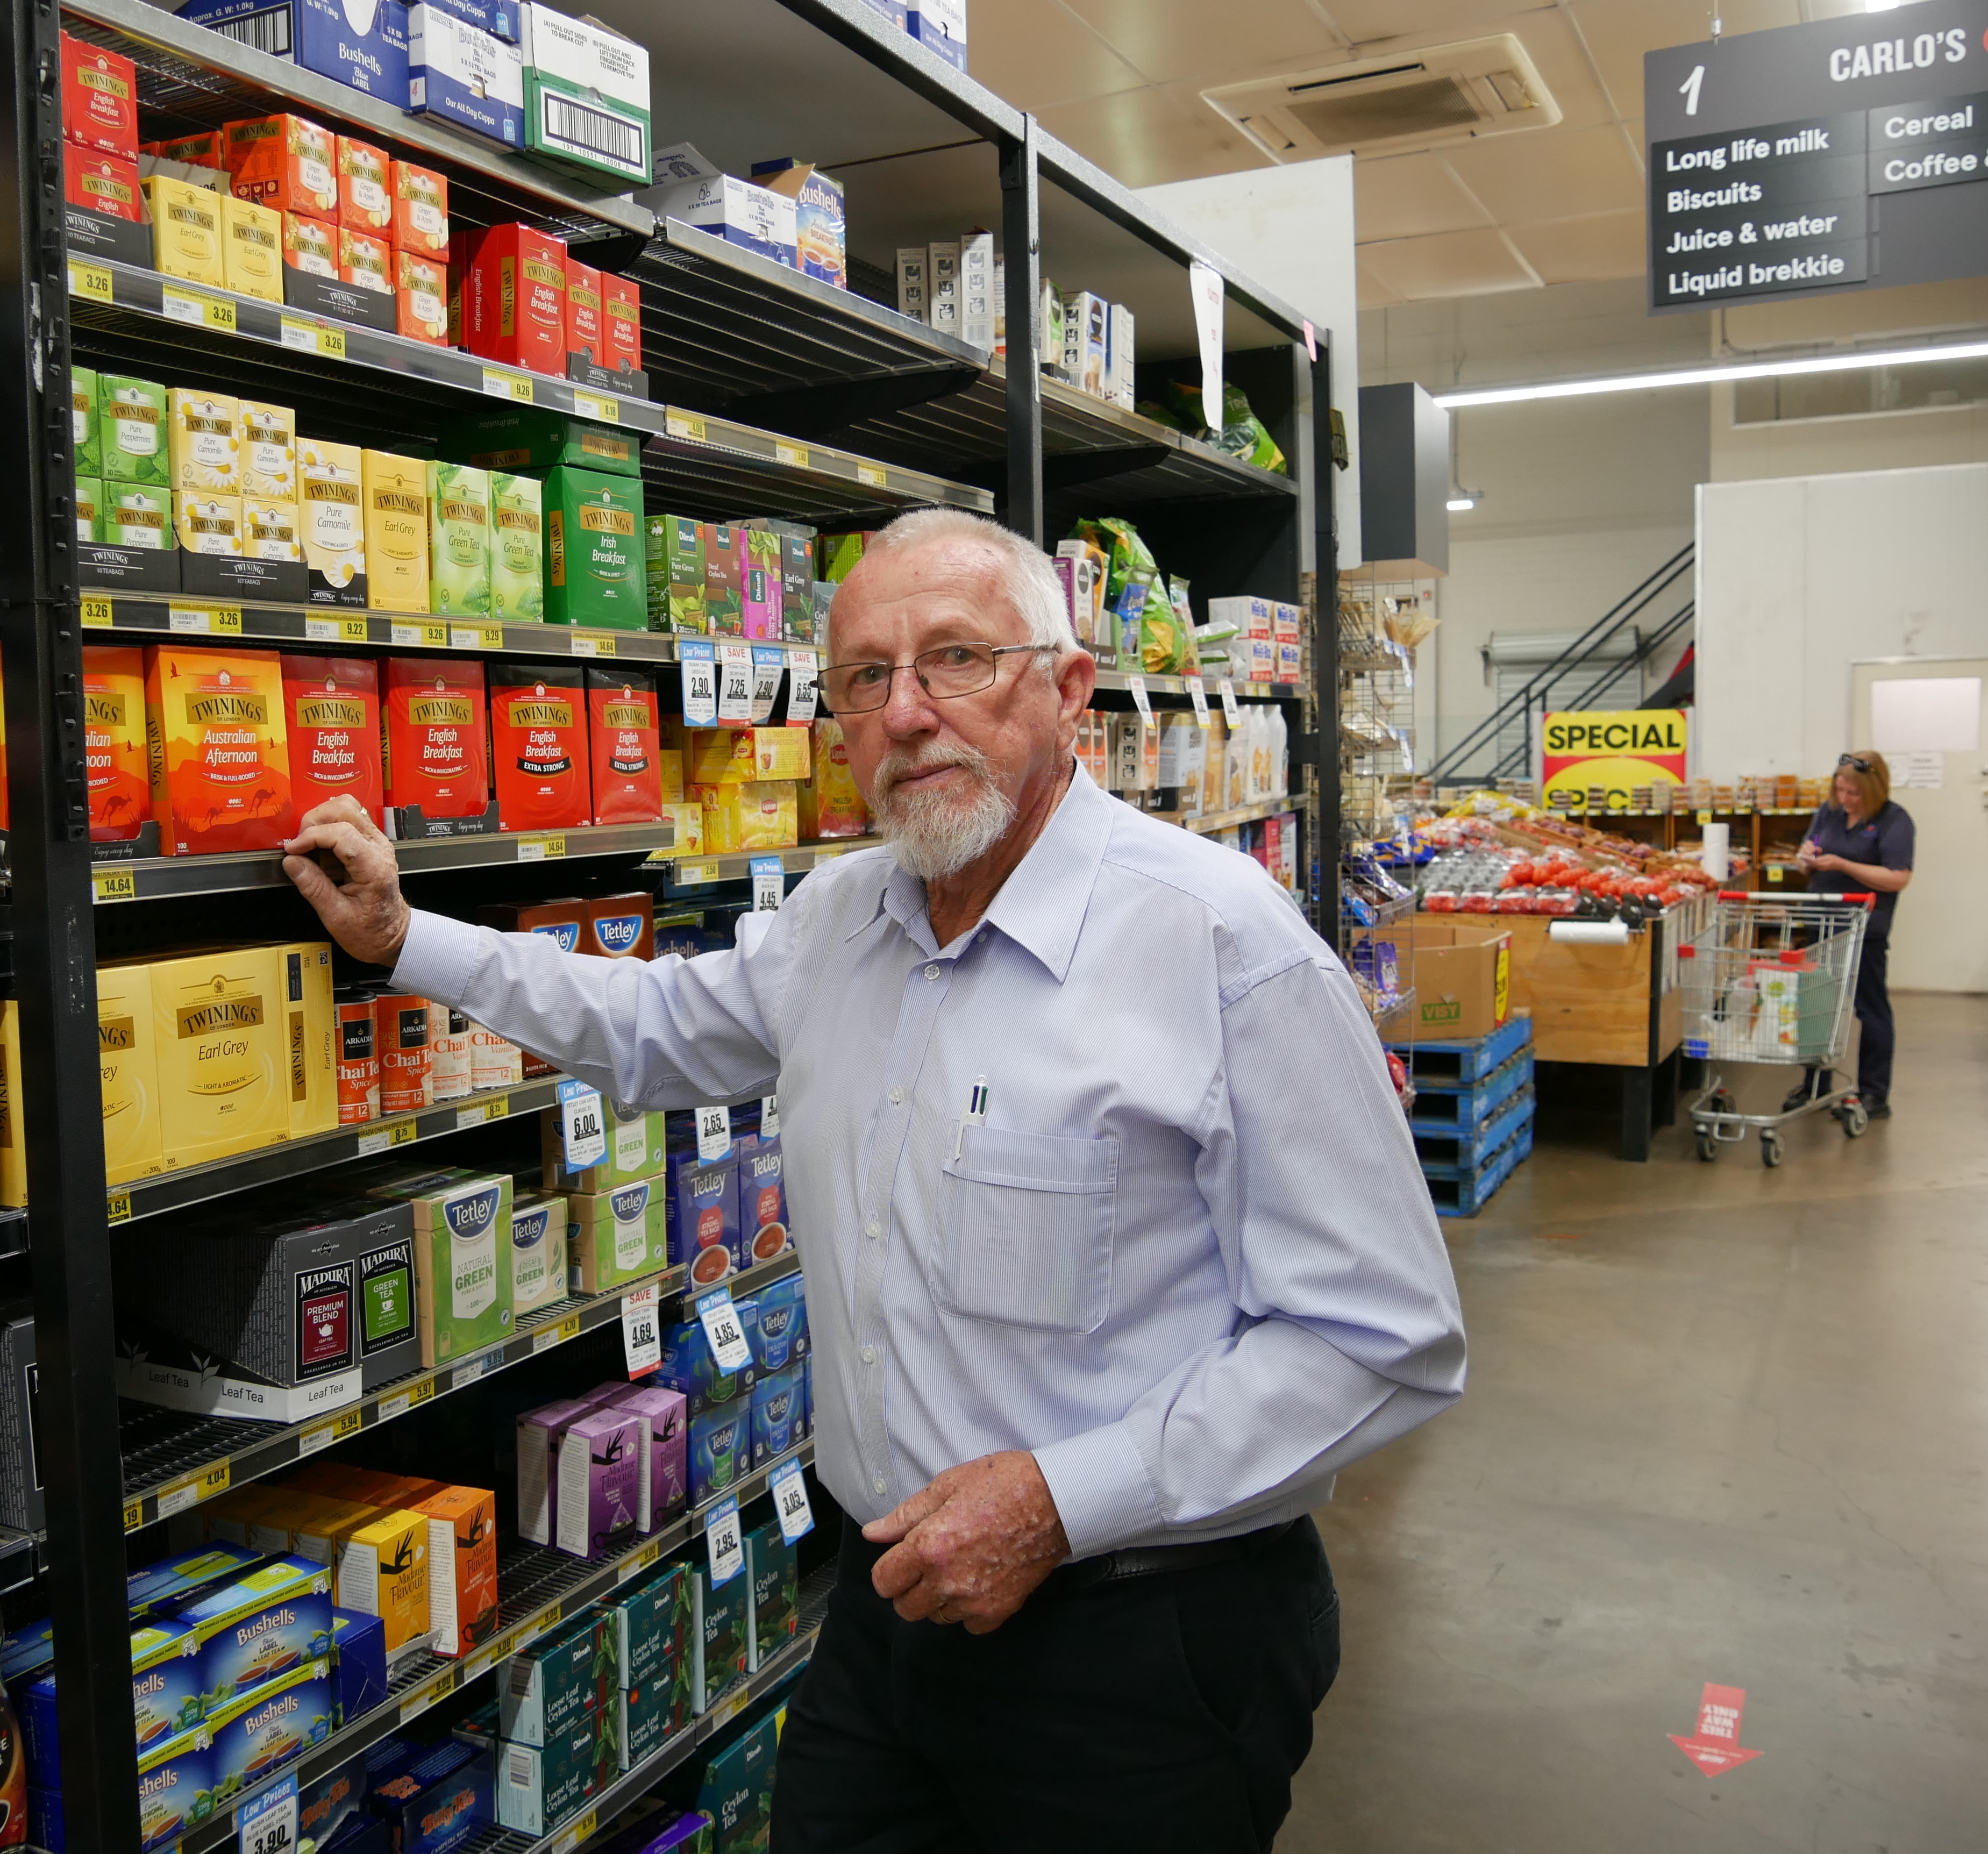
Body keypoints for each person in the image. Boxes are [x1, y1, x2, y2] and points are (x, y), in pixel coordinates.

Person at [281, 509, 1467, 1851]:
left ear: (1067, 689)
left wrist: (1058, 1500)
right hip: (883, 1614)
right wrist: (402, 936)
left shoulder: (1224, 947)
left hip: (1144, 1645)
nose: (907, 712)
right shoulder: (840, 921)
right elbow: (653, 1022)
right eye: (864, 676)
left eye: (957, 659)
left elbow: (1383, 1335)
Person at [1790, 751, 1913, 1117]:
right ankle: (1814, 1085)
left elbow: (1898, 877)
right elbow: (1803, 858)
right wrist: (1804, 857)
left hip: (1862, 929)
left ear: (1875, 790)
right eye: (1841, 790)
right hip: (1821, 923)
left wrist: (1843, 864)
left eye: (1854, 793)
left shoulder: (1895, 820)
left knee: (1870, 1009)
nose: (1845, 799)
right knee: (1815, 1006)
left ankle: (1874, 1093)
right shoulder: (1829, 813)